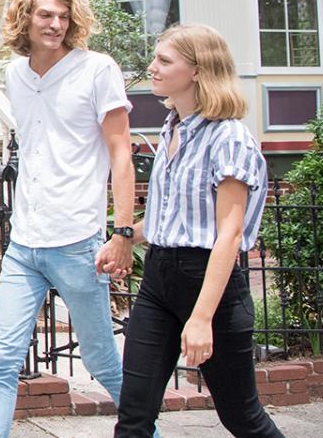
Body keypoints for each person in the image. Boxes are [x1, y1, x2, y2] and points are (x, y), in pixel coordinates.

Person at [0, 0, 141, 438]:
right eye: (46, 15)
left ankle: (146, 432)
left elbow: (121, 154)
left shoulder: (97, 69)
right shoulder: (15, 73)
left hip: (77, 242)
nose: (56, 25)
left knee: (103, 361)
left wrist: (122, 233)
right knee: (3, 359)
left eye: (64, 17)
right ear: (25, 18)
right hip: (25, 243)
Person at [108, 24, 284, 437]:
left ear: (198, 71)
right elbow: (172, 219)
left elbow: (229, 234)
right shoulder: (172, 129)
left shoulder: (229, 139)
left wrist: (202, 317)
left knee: (241, 416)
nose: (152, 67)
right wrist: (126, 236)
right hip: (158, 280)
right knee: (134, 413)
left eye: (164, 61)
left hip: (211, 286)